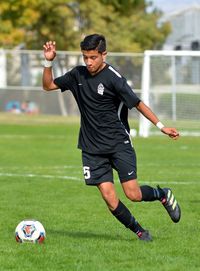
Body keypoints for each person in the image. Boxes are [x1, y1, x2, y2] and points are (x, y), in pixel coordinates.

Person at [42, 34, 181, 241]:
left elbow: (137, 103)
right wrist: (48, 62)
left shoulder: (114, 78)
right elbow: (48, 86)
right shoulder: (77, 75)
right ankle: (140, 232)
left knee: (133, 194)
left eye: (93, 57)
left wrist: (161, 126)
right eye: (85, 57)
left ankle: (162, 194)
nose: (88, 62)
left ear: (103, 54)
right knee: (109, 197)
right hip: (91, 148)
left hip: (118, 144)